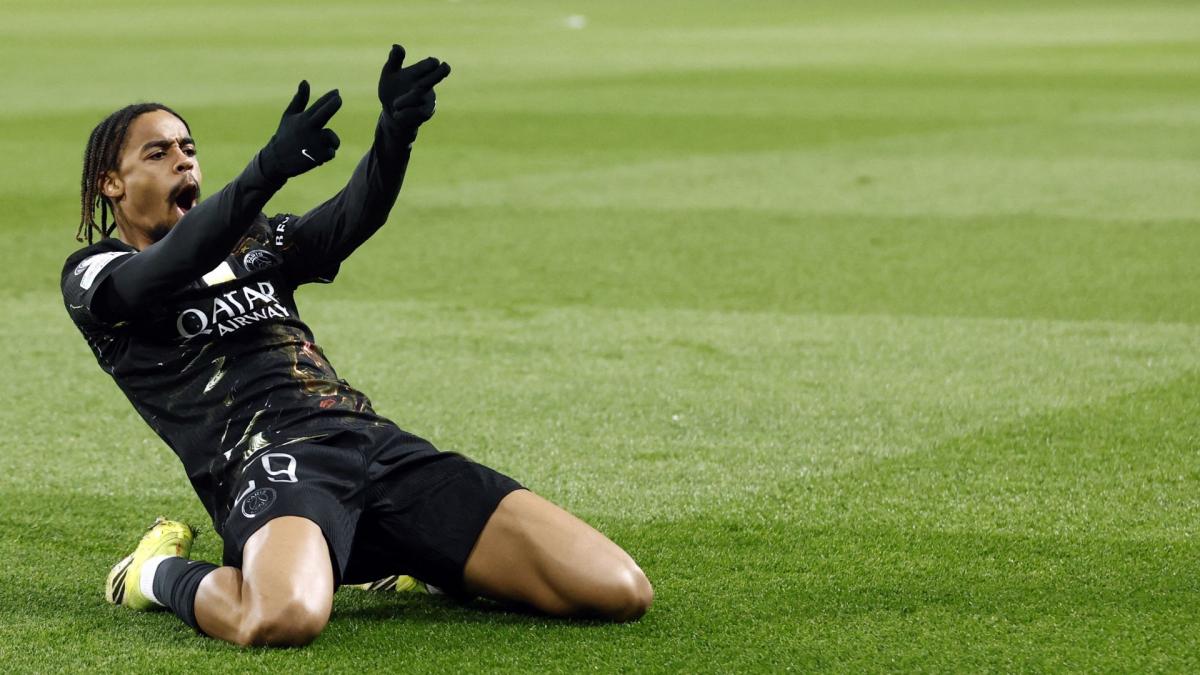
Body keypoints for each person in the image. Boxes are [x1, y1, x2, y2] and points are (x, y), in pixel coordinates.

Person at [61, 44, 652, 647]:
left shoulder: (256, 240)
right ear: (111, 182)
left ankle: (399, 554)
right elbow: (172, 264)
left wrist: (395, 133)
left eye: (188, 149)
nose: (183, 163)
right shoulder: (97, 276)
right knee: (279, 619)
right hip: (271, 463)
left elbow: (348, 218)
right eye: (157, 153)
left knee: (619, 590)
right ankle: (155, 573)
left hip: (371, 445)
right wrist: (266, 170)